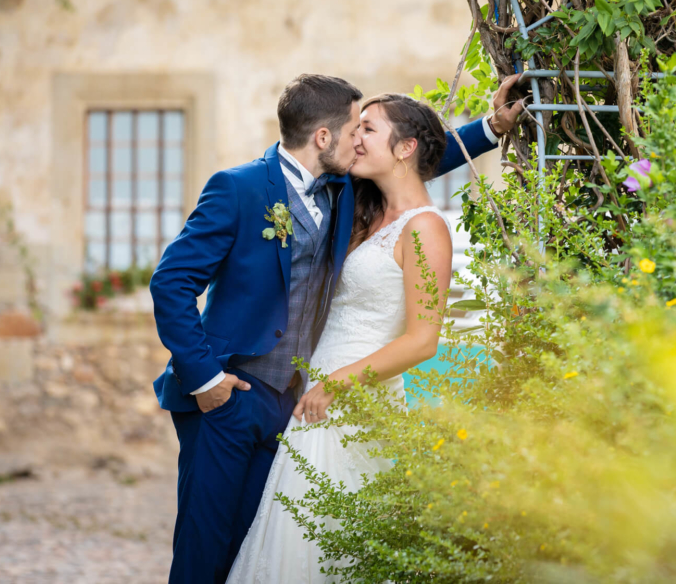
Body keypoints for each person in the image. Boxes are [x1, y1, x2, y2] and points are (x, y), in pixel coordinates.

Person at [151, 73, 524, 584]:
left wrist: (490, 127)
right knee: (202, 551)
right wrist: (206, 379)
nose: (359, 141)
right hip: (227, 395)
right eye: (356, 129)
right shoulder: (237, 188)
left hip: (292, 405)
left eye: (368, 131)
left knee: (254, 548)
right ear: (325, 138)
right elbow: (171, 283)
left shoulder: (344, 189)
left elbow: (413, 165)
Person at [227, 93, 463, 582]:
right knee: (297, 538)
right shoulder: (359, 210)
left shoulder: (426, 229)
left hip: (354, 400)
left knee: (339, 541)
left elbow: (423, 341)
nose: (355, 139)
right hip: (314, 399)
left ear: (405, 148)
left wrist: (336, 385)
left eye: (368, 129)